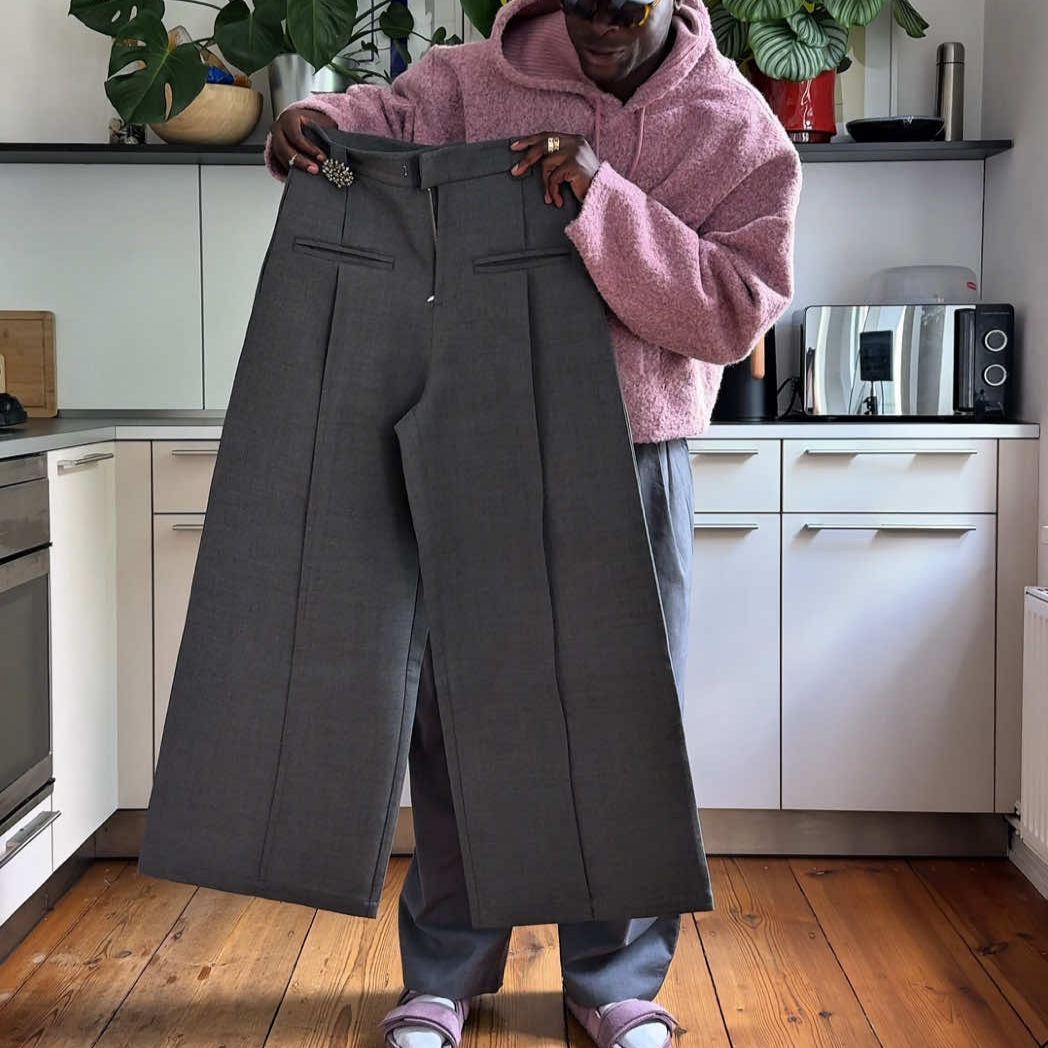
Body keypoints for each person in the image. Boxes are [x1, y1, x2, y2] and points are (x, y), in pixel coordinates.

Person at [264, 0, 800, 1044]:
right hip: (482, 441)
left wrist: (602, 198)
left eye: (621, 4)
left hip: (635, 451)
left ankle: (614, 984)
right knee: (458, 721)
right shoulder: (478, 80)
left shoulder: (733, 125)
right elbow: (383, 120)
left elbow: (733, 312)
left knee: (627, 728)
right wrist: (319, 120)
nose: (597, 20)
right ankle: (445, 976)